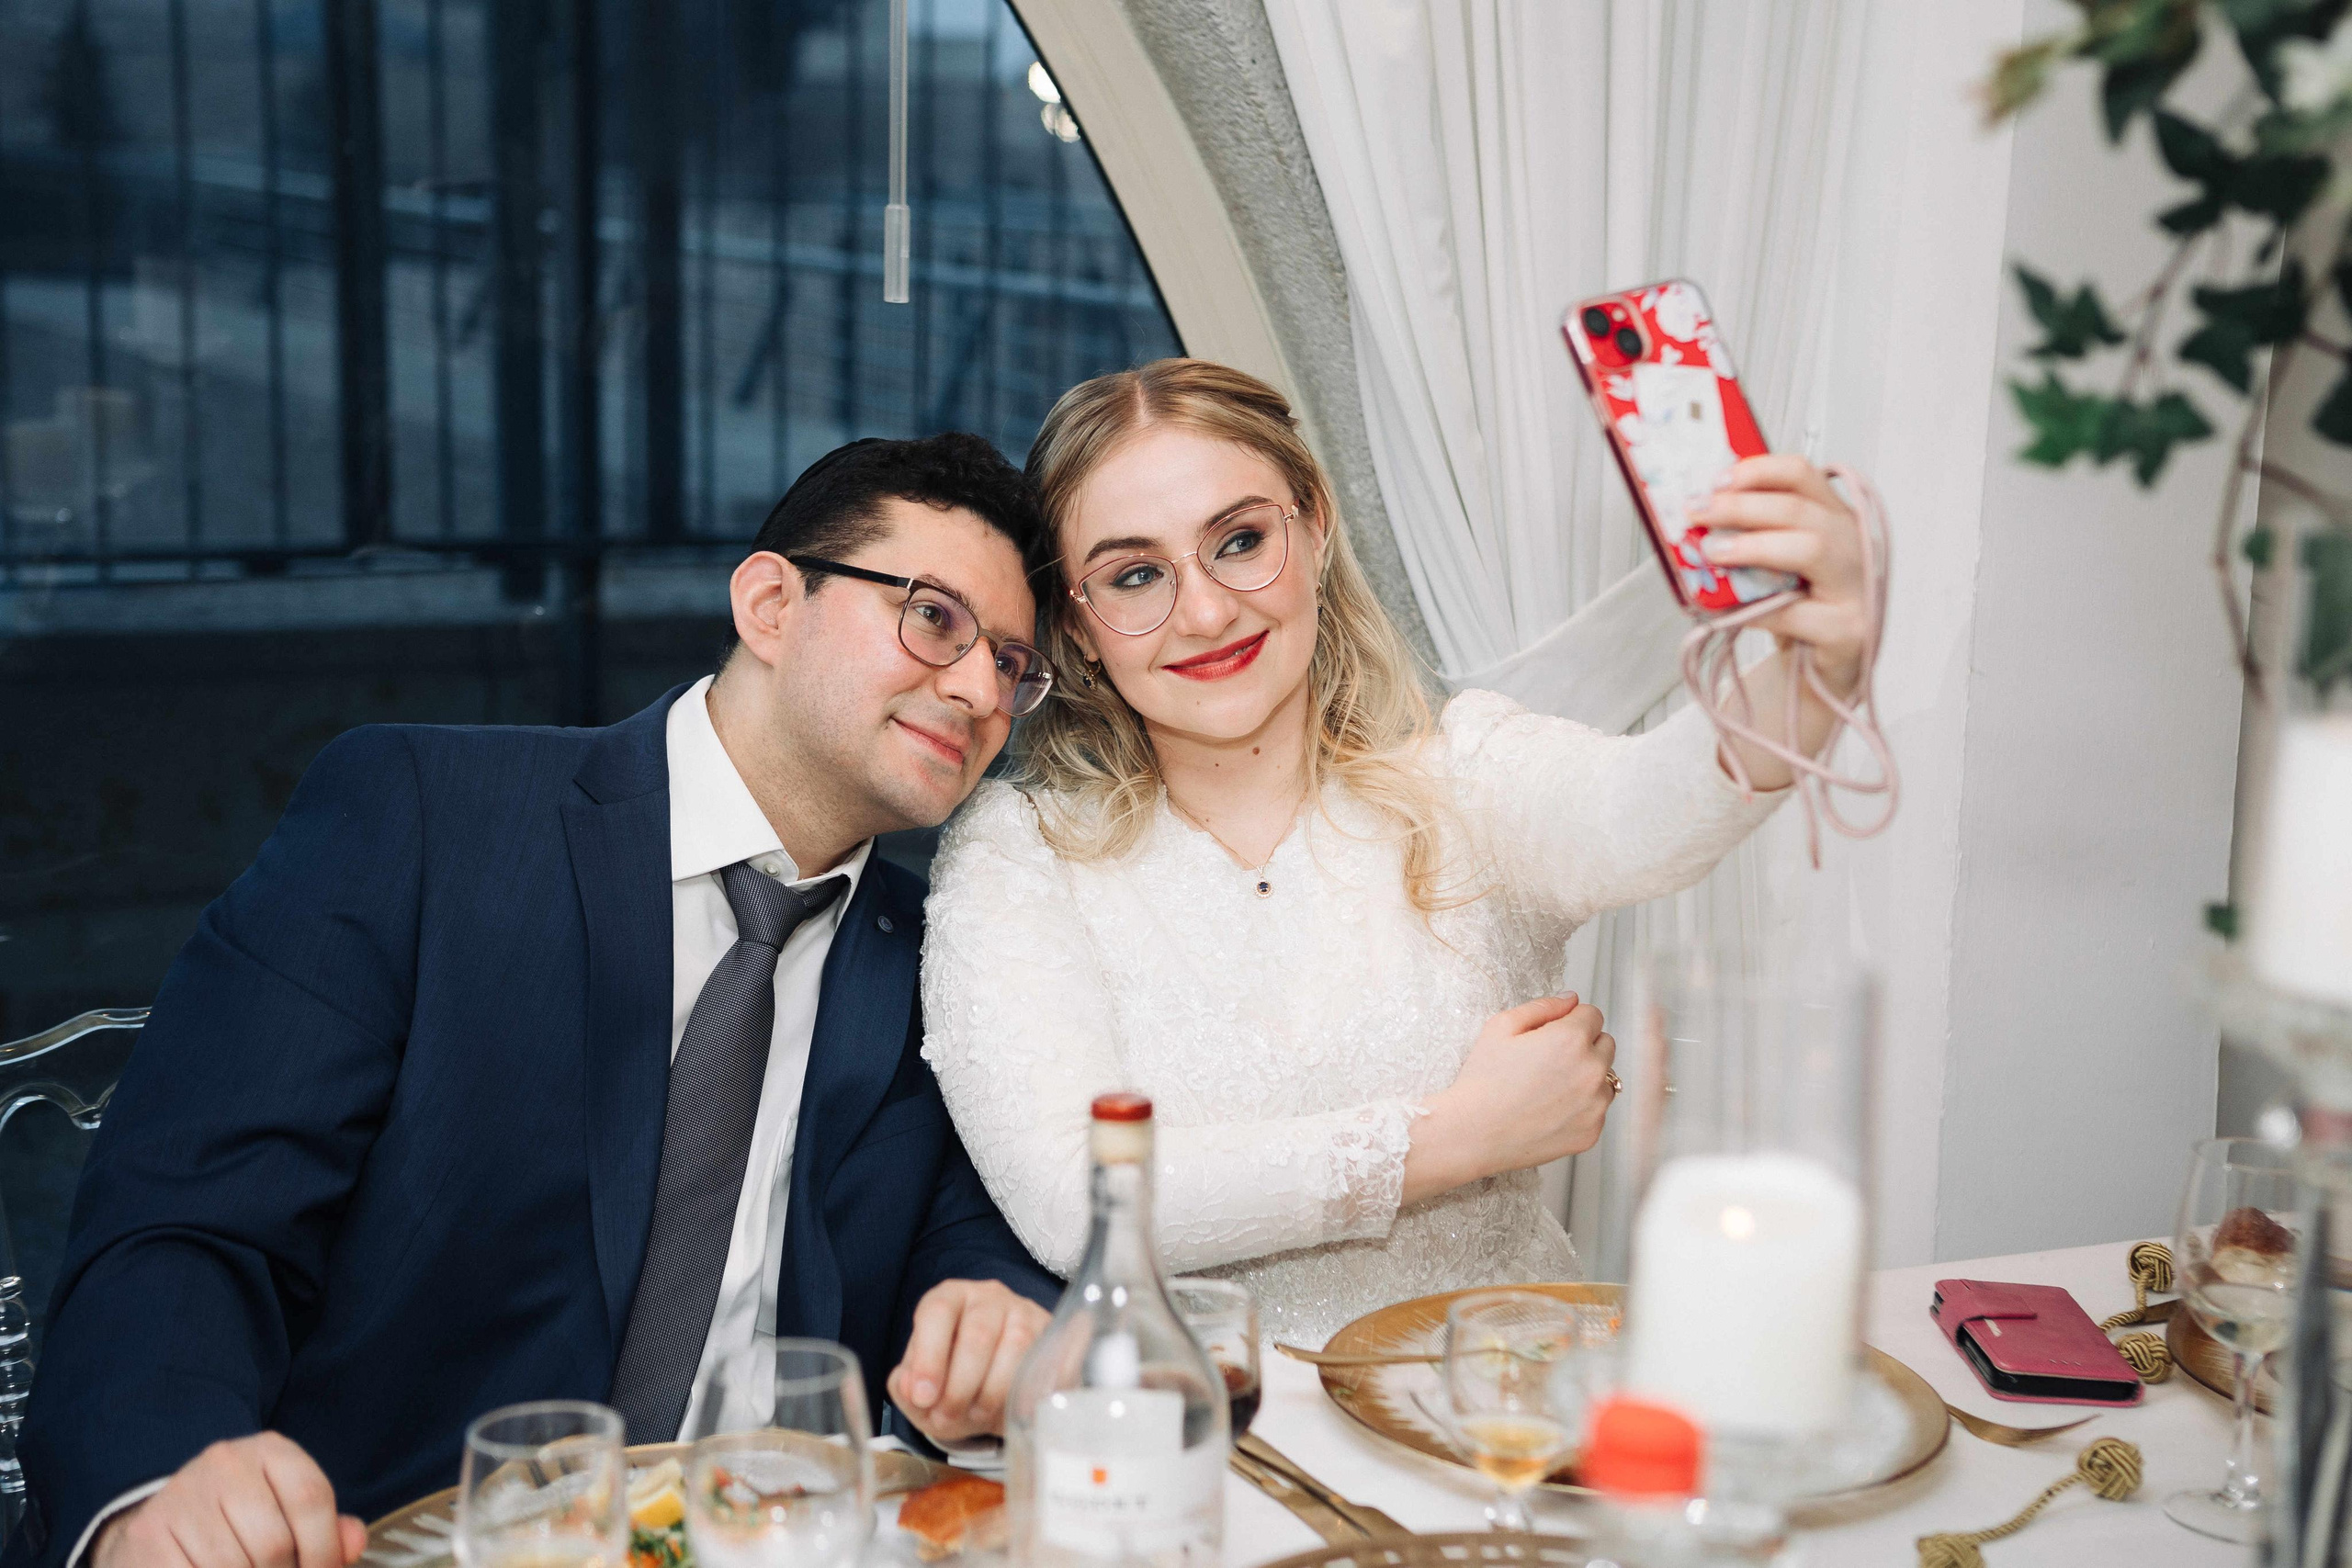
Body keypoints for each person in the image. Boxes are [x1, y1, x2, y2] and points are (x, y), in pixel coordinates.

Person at [16, 434, 1065, 1568]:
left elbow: (974, 1233)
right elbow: (188, 1225)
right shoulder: (423, 819)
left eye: (1012, 665)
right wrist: (162, 1483)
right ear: (770, 603)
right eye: (934, 620)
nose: (975, 690)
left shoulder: (939, 948)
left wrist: (997, 1313)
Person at [921, 359, 1878, 1342]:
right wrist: (1455, 1137)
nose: (1205, 613)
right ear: (1077, 628)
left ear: (1315, 527)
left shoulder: (1467, 777)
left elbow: (1649, 811)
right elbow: (1071, 1205)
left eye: (1241, 542)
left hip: (1502, 1425)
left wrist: (1815, 670)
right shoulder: (1019, 854)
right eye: (1134, 575)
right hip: (1210, 1446)